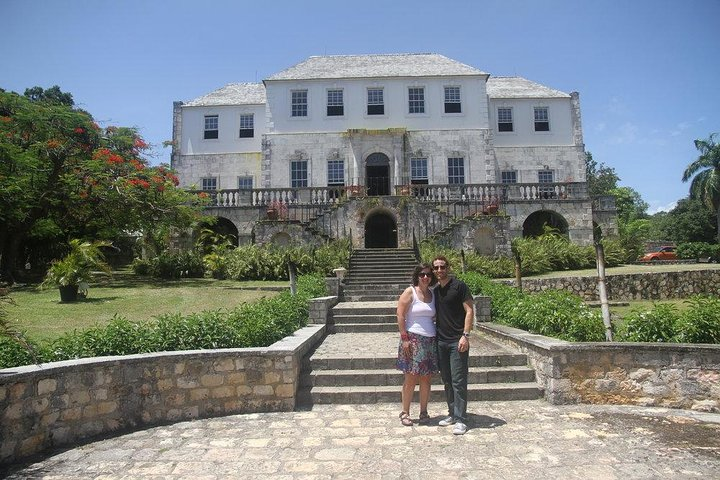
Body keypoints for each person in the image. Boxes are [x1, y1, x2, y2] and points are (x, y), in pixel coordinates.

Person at [432, 255, 474, 435]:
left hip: (457, 341)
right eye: (436, 268)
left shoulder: (459, 286)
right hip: (441, 341)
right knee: (447, 380)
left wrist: (465, 335)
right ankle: (452, 413)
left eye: (442, 267)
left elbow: (469, 310)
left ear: (448, 267)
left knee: (458, 381)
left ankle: (461, 419)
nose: (439, 270)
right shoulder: (435, 291)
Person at [396, 263, 438, 426]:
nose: (425, 277)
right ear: (417, 276)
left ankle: (423, 411)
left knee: (426, 379)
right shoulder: (410, 292)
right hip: (413, 339)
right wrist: (405, 338)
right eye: (422, 274)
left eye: (428, 274)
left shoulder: (433, 294)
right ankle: (405, 412)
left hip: (430, 340)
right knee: (411, 378)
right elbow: (400, 314)